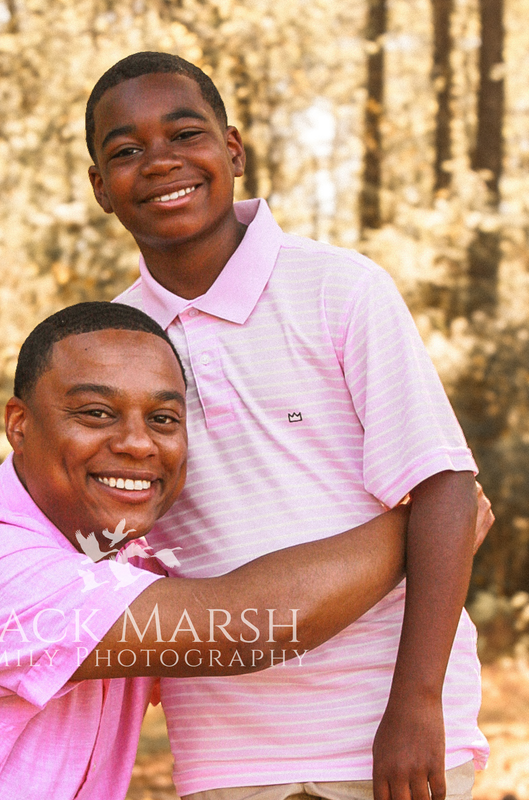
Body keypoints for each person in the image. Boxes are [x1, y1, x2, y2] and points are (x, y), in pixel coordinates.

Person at [0, 302, 418, 799]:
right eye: (97, 414)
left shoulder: (116, 565)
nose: (138, 443)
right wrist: (428, 521)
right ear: (19, 425)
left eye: (163, 419)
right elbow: (249, 623)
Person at [86, 52, 488, 800]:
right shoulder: (109, 343)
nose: (161, 162)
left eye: (185, 135)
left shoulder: (340, 288)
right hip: (226, 748)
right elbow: (98, 531)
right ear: (100, 188)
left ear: (232, 150)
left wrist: (416, 705)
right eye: (127, 151)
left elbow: (446, 491)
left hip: (382, 729)